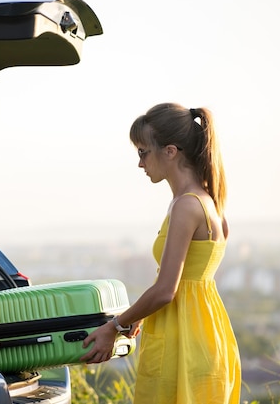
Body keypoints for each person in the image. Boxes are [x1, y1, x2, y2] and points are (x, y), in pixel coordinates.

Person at [81, 103, 241, 403]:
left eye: (143, 152)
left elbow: (167, 290)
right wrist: (141, 315)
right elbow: (186, 283)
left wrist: (114, 327)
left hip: (184, 343)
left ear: (170, 151)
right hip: (205, 334)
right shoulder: (210, 201)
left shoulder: (186, 205)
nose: (140, 163)